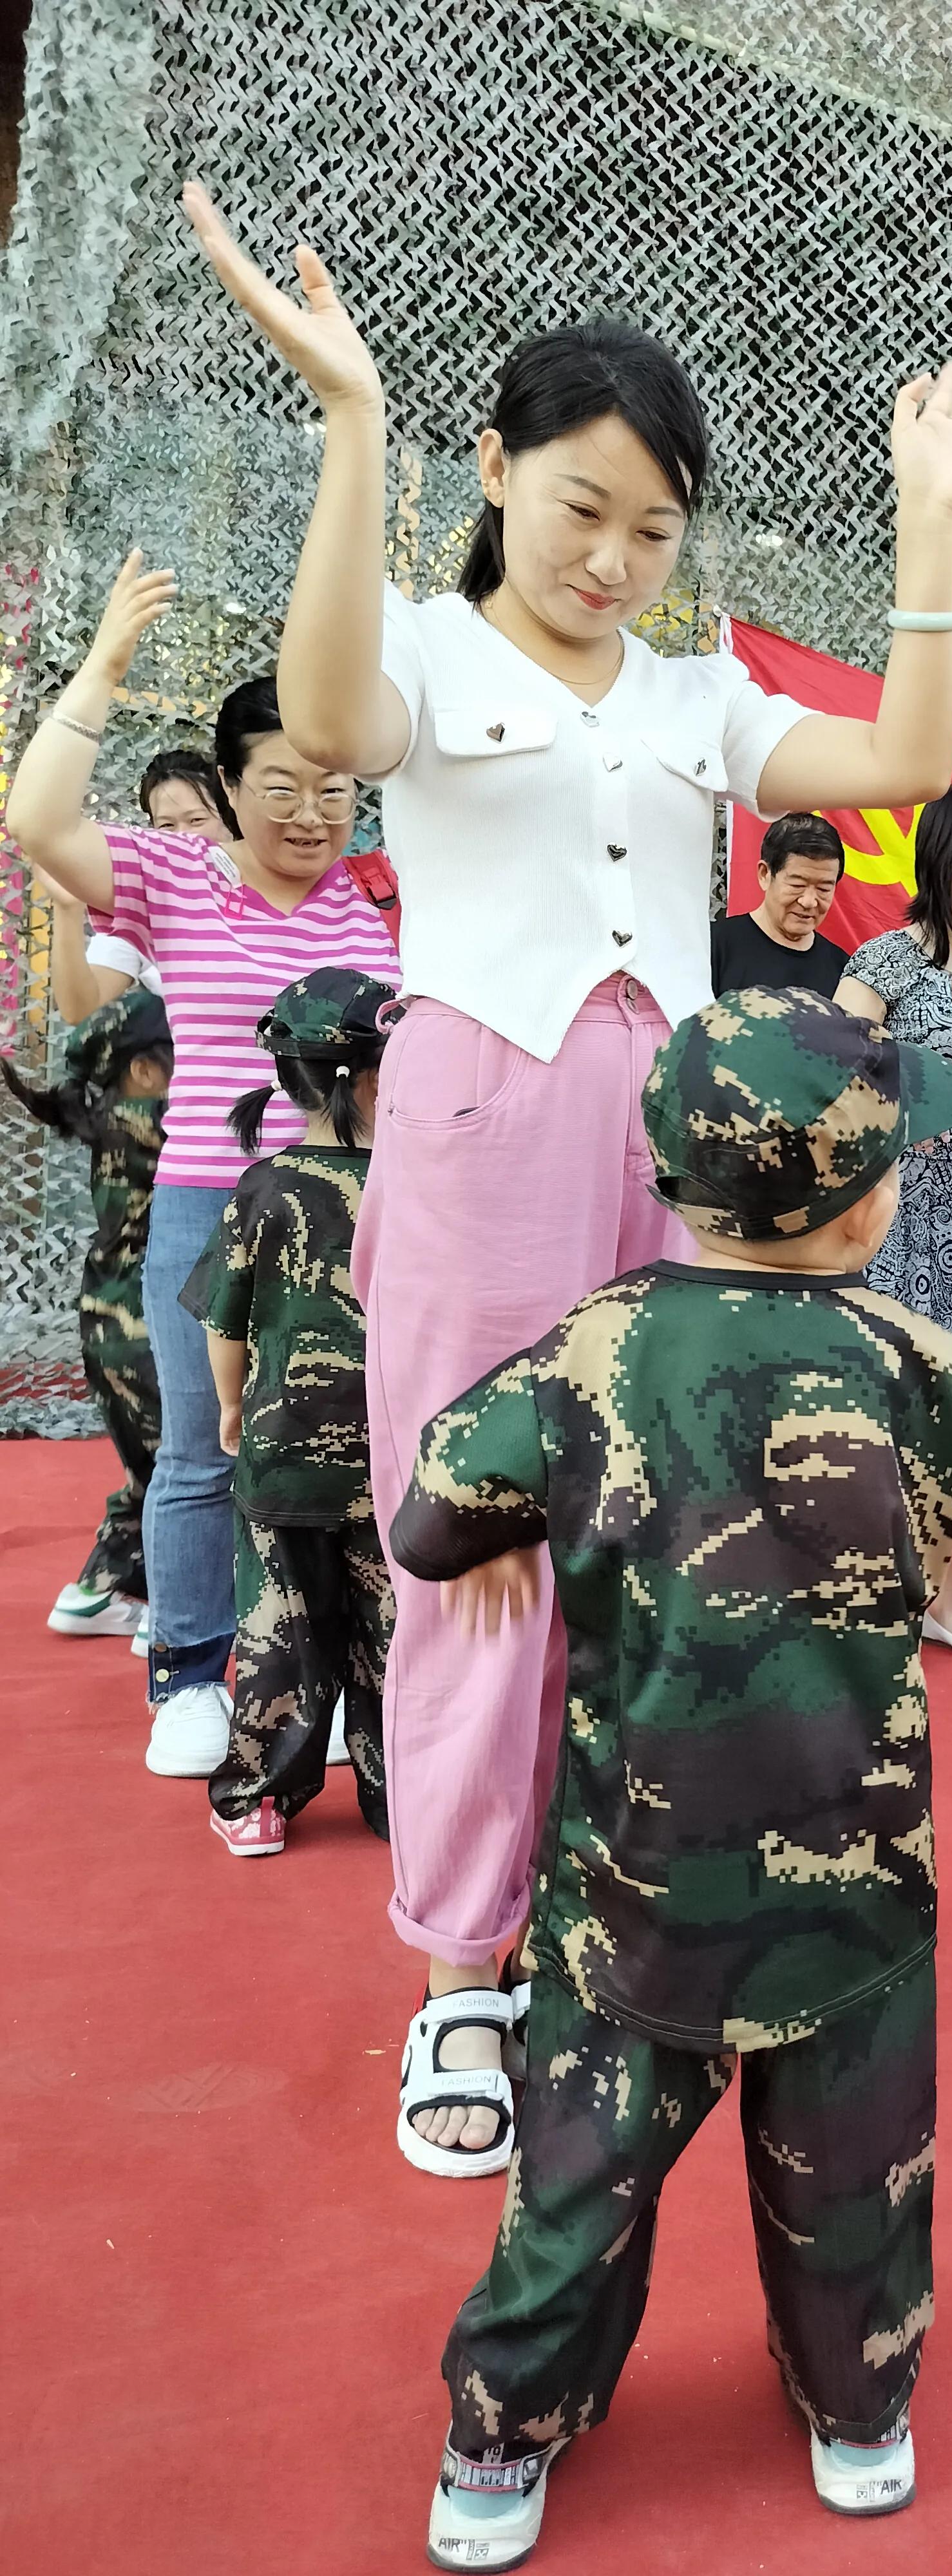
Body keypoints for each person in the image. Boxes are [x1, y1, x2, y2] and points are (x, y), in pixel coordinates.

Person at [183, 185, 952, 2172]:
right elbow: (317, 718)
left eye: (653, 525)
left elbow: (898, 759)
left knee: (676, 1527)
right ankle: (462, 1972)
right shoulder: (409, 647)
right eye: (580, 508)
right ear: (496, 471)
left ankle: (614, 1901)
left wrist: (924, 525)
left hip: (681, 1138)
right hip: (482, 1115)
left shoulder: (693, 690)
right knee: (479, 1551)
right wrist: (351, 426)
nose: (614, 557)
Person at [383, 990, 952, 2568]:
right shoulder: (916, 1362)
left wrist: (517, 1532)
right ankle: (857, 2412)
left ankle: (499, 2442)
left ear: (671, 1172)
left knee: (572, 2186)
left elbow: (430, 1511)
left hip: (632, 1892)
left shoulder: (596, 1345)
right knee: (856, 2185)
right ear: (869, 1189)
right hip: (857, 1894)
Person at [4, 557, 397, 1781]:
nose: (309, 813)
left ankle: (323, 1671)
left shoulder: (381, 897)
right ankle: (189, 1669)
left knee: (343, 1449)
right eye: (279, 785)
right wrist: (107, 665)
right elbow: (36, 821)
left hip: (356, 1218)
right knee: (201, 1447)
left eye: (333, 789)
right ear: (228, 790)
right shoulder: (175, 879)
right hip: (207, 1211)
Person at [182, 970, 396, 1855]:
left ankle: (257, 1799)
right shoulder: (416, 1184)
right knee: (398, 1640)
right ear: (375, 1078)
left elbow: (227, 1321)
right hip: (394, 1455)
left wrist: (232, 1407)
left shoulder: (265, 1186)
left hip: (285, 1452)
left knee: (281, 1629)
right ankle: (409, 1803)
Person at [837, 777, 952, 1658]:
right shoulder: (888, 962)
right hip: (900, 1216)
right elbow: (833, 1074)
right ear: (947, 860)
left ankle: (945, 1601)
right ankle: (869, 1597)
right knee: (884, 1409)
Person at [3, 987, 172, 1638]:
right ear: (141, 1067)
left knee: (151, 1467)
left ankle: (99, 1590)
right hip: (145, 1323)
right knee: (187, 1469)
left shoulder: (117, 1118)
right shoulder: (155, 1120)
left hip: (107, 1318)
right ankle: (173, 1614)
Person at [37, 748, 224, 1025]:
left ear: (231, 816)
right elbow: (81, 1008)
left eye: (197, 821)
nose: (183, 837)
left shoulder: (271, 883)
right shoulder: (144, 898)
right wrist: (68, 909)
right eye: (167, 826)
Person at [712, 810, 852, 997]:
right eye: (797, 885)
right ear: (765, 874)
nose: (809, 902)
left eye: (824, 889)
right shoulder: (713, 947)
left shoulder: (844, 971)